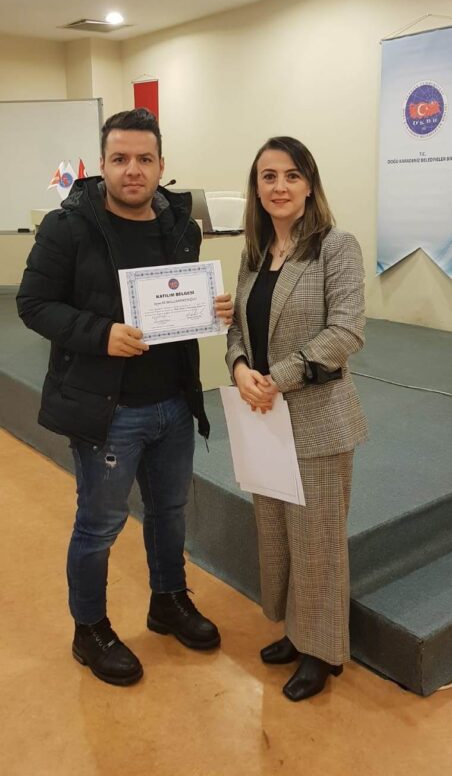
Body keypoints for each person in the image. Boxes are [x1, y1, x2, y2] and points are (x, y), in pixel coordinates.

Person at [17, 108, 233, 686]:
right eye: (120, 159)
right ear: (103, 164)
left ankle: (168, 600)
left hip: (174, 403)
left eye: (144, 159)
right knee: (100, 524)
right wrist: (101, 334)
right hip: (107, 410)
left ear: (161, 165)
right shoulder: (67, 228)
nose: (132, 170)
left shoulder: (181, 225)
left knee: (169, 512)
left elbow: (177, 302)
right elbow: (33, 304)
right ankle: (89, 629)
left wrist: (211, 306)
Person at [226, 136, 368, 701]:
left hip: (317, 418)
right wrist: (240, 367)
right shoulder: (254, 253)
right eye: (268, 176)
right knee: (278, 535)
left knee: (318, 542)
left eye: (291, 175)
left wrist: (275, 377)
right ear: (256, 188)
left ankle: (322, 651)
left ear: (310, 184)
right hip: (263, 418)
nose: (279, 186)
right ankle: (297, 630)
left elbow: (346, 331)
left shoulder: (336, 246)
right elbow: (237, 327)